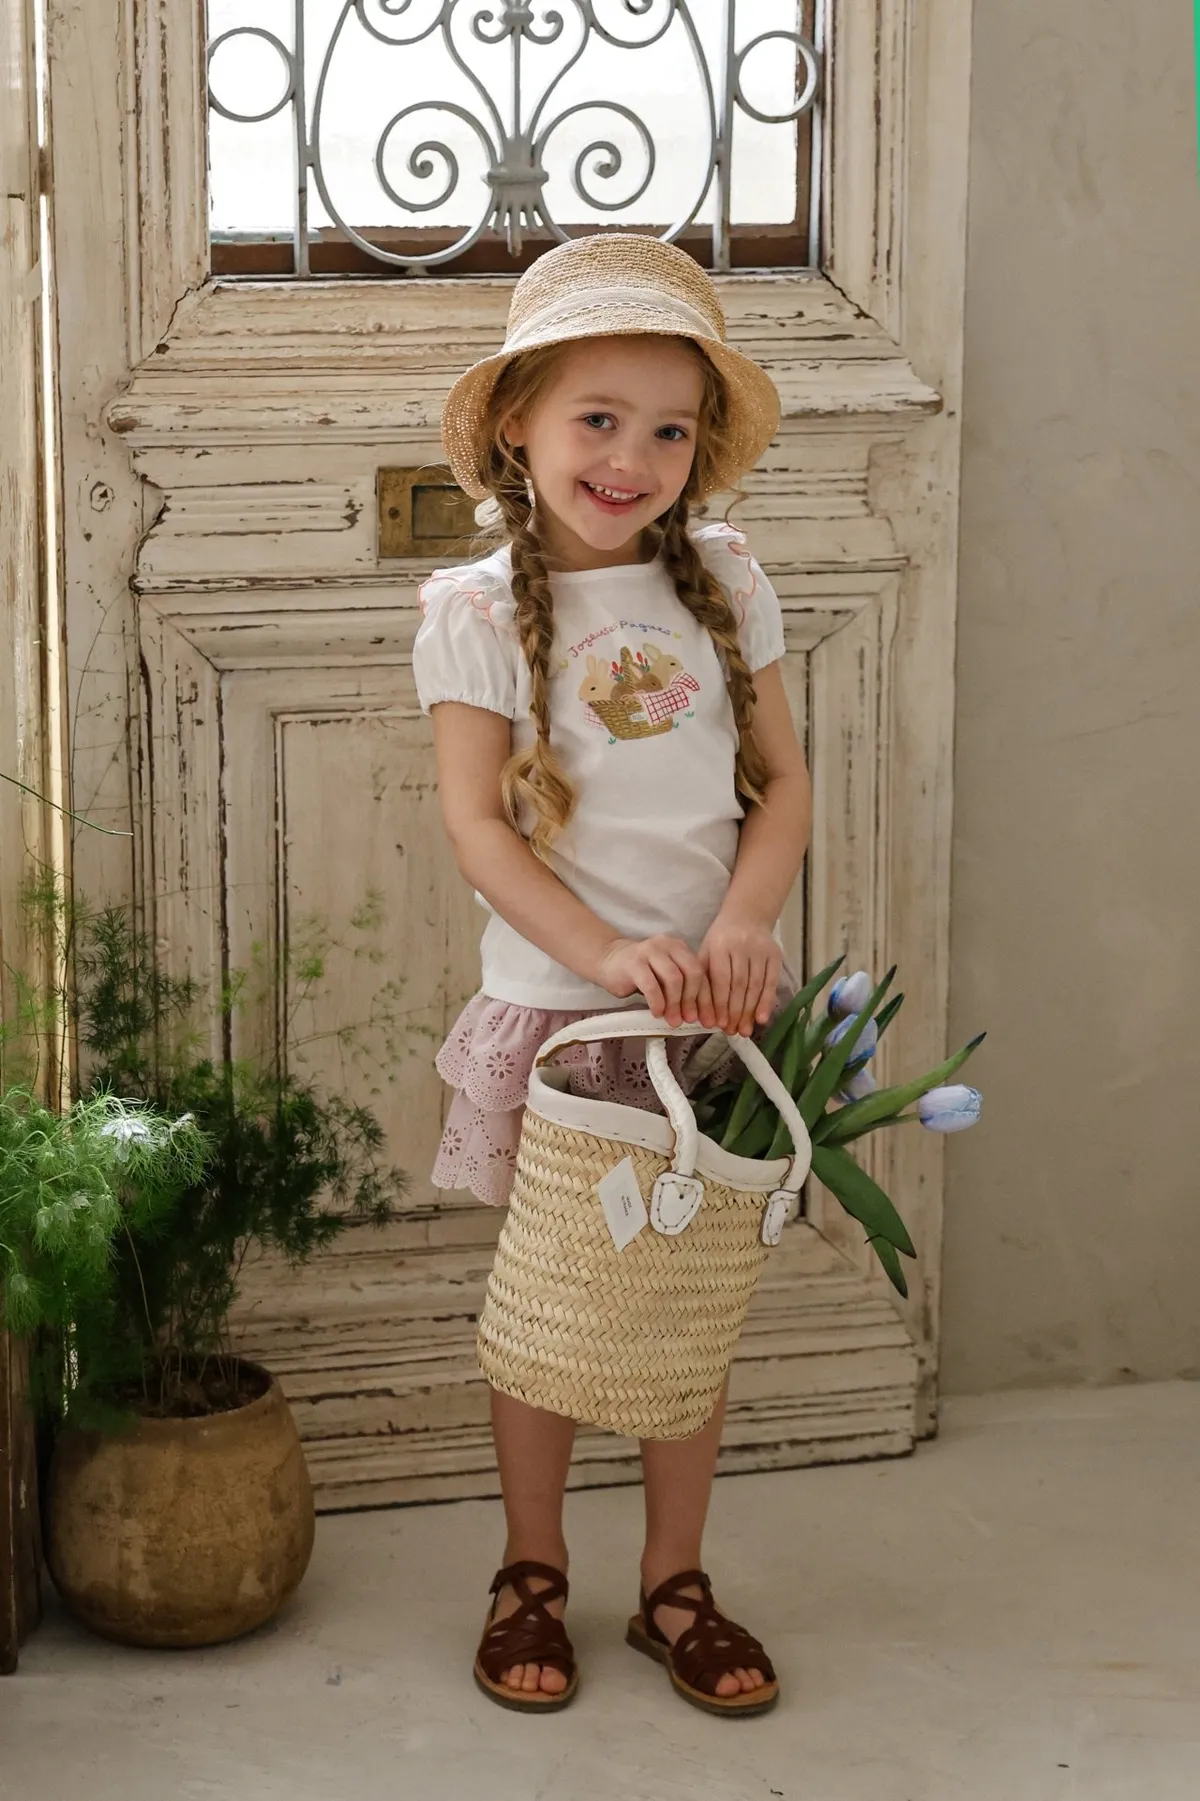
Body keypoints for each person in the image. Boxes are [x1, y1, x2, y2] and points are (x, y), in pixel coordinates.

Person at [413, 234, 813, 1716]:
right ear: (519, 422)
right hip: (564, 1011)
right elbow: (477, 825)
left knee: (683, 1309)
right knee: (553, 1310)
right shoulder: (474, 611)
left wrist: (746, 922)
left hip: (707, 1011)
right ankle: (531, 1569)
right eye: (598, 418)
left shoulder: (726, 582)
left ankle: (674, 1583)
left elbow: (782, 788)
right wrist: (599, 953)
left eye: (669, 430)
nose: (632, 458)